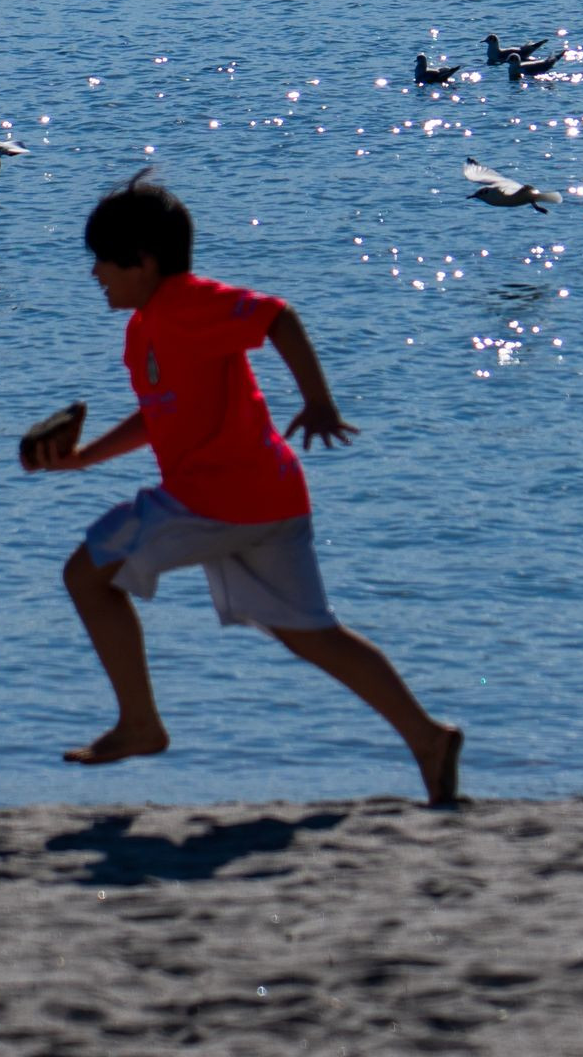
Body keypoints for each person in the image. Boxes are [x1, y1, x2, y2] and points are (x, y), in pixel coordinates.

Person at [23, 172, 464, 805]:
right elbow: (160, 415)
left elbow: (278, 316)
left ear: (143, 261)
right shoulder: (145, 327)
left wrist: (318, 401)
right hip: (271, 501)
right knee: (311, 634)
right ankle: (428, 737)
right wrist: (86, 458)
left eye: (102, 260)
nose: (94, 273)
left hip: (215, 500)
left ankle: (140, 724)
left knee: (86, 576)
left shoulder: (189, 302)